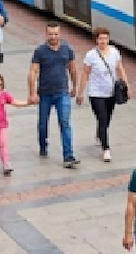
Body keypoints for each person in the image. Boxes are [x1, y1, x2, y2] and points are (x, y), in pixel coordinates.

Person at [29, 22, 80, 168]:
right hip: (44, 93)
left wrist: (74, 87)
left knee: (65, 123)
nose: (53, 37)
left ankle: (68, 156)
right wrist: (32, 92)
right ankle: (43, 145)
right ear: (46, 34)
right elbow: (33, 71)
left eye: (56, 34)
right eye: (50, 34)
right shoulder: (40, 51)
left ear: (60, 34)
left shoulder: (67, 50)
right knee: (42, 123)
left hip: (62, 92)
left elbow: (73, 69)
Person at [77, 27, 130, 163]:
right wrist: (80, 93)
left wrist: (127, 86)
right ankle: (106, 148)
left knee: (106, 120)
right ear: (96, 40)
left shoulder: (114, 52)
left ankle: (99, 133)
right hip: (95, 93)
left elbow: (120, 69)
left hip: (111, 92)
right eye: (100, 39)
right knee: (102, 117)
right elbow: (85, 73)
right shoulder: (91, 55)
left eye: (105, 38)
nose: (103, 41)